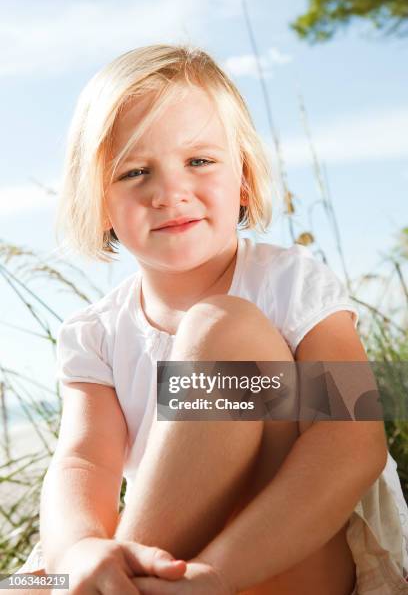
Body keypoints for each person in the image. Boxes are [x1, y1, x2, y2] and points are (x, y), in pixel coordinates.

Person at [8, 44, 408, 595]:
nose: (169, 192)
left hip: (279, 563)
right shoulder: (95, 334)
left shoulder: (289, 284)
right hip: (168, 563)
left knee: (223, 328)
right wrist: (79, 548)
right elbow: (82, 462)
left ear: (243, 176)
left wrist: (217, 573)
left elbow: (351, 441)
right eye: (135, 171)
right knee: (47, 570)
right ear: (97, 200)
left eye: (199, 161)